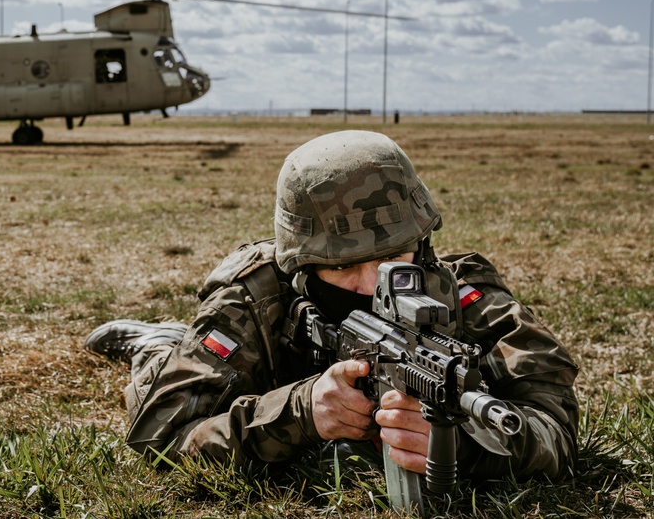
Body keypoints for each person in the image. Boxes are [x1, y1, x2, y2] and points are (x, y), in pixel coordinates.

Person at [85, 130, 578, 485]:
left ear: (421, 243)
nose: (369, 286)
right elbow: (159, 439)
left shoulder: (463, 291)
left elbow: (554, 423)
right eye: (342, 268)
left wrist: (468, 445)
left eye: (391, 259)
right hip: (261, 377)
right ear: (302, 268)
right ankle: (156, 344)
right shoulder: (254, 299)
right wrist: (298, 411)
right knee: (160, 374)